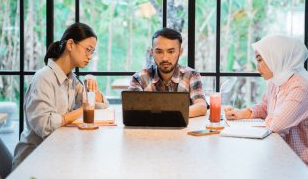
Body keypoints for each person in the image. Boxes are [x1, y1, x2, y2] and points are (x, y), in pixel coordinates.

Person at [224, 35, 308, 179]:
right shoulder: (275, 81)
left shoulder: (300, 88)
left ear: (275, 57)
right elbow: (265, 107)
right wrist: (242, 113)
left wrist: (269, 116)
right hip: (287, 163)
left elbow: (276, 124)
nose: (257, 67)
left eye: (260, 60)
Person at [12, 23, 109, 169]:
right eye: (88, 50)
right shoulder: (43, 78)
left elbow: (101, 105)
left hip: (56, 155)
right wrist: (84, 109)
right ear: (70, 44)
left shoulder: (71, 79)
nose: (89, 56)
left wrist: (92, 86)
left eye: (92, 52)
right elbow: (45, 125)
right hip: (33, 162)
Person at [128, 28, 207, 117]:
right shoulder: (140, 78)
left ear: (180, 52)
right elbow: (132, 109)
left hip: (183, 130)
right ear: (152, 52)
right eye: (159, 51)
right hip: (150, 130)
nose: (165, 58)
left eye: (171, 51)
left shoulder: (191, 75)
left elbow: (201, 106)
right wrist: (176, 113)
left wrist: (168, 115)